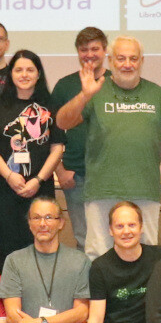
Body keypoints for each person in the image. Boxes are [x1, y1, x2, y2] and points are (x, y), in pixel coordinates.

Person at [56, 36, 161, 256]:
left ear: (141, 61)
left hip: (144, 190)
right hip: (101, 190)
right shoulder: (96, 90)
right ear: (111, 61)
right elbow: (63, 122)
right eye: (121, 59)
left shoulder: (156, 94)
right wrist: (84, 95)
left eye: (133, 58)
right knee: (98, 256)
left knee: (147, 255)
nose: (127, 64)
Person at [0, 50, 66, 263]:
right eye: (19, 70)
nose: (24, 75)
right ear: (10, 74)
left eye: (30, 70)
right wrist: (9, 176)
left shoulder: (51, 106)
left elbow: (57, 148)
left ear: (38, 73)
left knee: (42, 247)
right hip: (6, 189)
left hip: (40, 188)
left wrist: (38, 180)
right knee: (9, 250)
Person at [49, 28, 108, 249]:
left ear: (105, 50)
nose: (89, 54)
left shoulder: (116, 82)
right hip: (77, 176)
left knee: (115, 235)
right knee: (84, 239)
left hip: (112, 175)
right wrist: (60, 171)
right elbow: (49, 132)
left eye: (95, 49)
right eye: (84, 50)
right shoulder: (65, 85)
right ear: (77, 52)